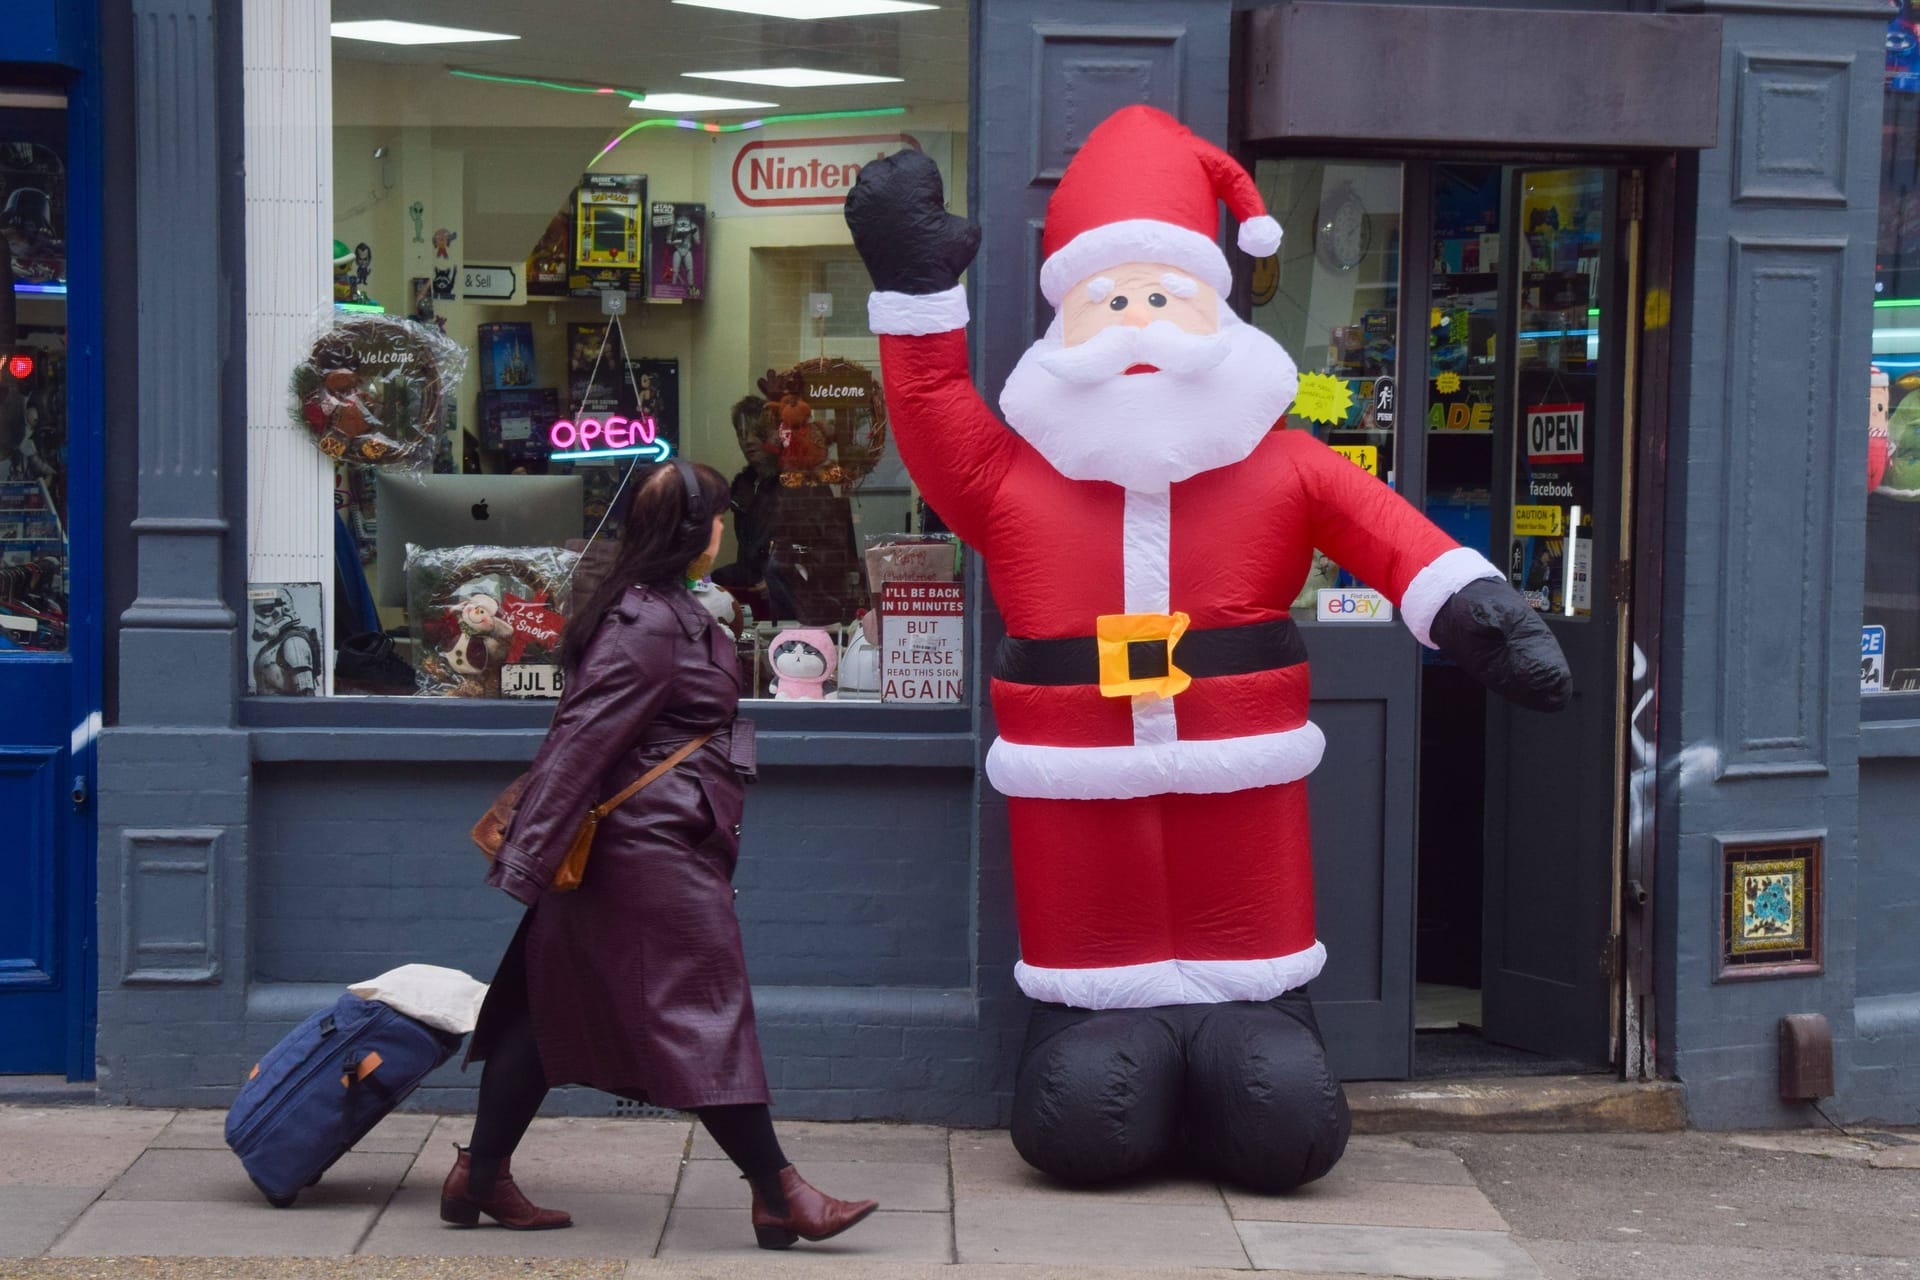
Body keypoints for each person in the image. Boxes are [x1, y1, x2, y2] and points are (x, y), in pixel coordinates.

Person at [843, 108, 1569, 1193]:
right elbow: (933, 404)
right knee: (1087, 1108)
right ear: (1066, 323)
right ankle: (1094, 1033)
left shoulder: (1284, 465)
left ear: (1216, 313)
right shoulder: (1011, 478)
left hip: (1244, 769)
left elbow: (1392, 536)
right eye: (1110, 300)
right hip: (1074, 778)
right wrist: (914, 291)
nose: (1137, 321)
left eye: (1161, 296)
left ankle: (1256, 1021)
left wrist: (1479, 612)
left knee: (1279, 1102)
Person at [446, 458, 878, 1249]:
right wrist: (527, 859)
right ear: (692, 534)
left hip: (652, 843)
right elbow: (581, 738)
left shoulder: (664, 607)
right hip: (643, 855)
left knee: (546, 1013)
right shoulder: (644, 623)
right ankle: (778, 1193)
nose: (723, 530)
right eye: (715, 518)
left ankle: (478, 1177)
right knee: (705, 1010)